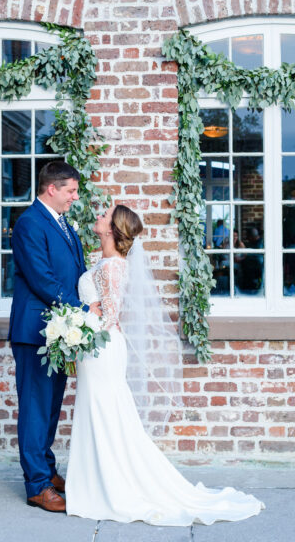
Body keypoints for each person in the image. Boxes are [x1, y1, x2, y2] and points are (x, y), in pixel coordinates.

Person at [66, 204, 265, 526]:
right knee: (99, 412)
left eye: (104, 215)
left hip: (101, 347)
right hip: (95, 348)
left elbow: (110, 315)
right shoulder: (104, 262)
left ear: (113, 230)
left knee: (105, 412)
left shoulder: (113, 267)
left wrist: (76, 327)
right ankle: (96, 483)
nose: (97, 216)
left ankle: (108, 487)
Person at [8, 161, 101, 513]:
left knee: (49, 407)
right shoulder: (30, 223)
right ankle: (36, 486)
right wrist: (83, 309)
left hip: (60, 331)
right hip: (35, 332)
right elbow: (42, 279)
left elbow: (74, 272)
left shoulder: (61, 223)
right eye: (71, 191)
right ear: (52, 189)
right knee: (34, 408)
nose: (75, 198)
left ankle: (46, 470)